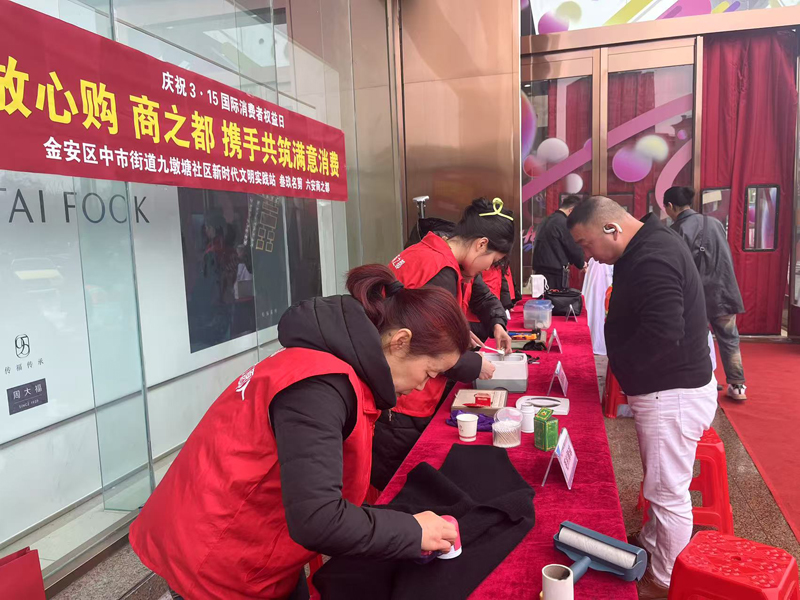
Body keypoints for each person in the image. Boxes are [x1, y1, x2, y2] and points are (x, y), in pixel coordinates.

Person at [130, 265, 470, 600]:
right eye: (429, 373)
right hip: (215, 553)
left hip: (248, 536)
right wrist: (411, 531)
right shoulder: (319, 388)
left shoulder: (332, 368)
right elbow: (318, 519)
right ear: (400, 342)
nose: (423, 386)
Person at [567, 197, 717, 599]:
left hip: (671, 392)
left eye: (586, 244)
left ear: (611, 229)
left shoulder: (653, 256)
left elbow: (663, 332)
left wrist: (627, 368)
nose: (587, 256)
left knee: (668, 492)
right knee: (660, 481)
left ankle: (665, 577)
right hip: (666, 388)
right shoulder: (645, 245)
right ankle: (653, 542)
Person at [372, 198, 515, 491]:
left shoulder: (434, 252)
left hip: (397, 383)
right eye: (493, 261)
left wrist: (493, 323)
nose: (490, 268)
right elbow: (429, 345)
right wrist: (475, 364)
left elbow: (476, 299)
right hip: (403, 395)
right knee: (397, 484)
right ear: (481, 244)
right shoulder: (441, 272)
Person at [663, 186, 747, 401]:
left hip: (697, 296)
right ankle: (738, 385)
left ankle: (705, 380)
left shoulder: (677, 230)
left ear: (670, 206)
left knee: (697, 338)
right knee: (730, 339)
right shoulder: (715, 223)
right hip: (724, 291)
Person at [532, 195, 587, 289]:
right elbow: (573, 247)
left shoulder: (546, 220)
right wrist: (581, 263)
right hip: (555, 274)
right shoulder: (564, 223)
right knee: (557, 298)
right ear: (571, 211)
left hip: (539, 272)